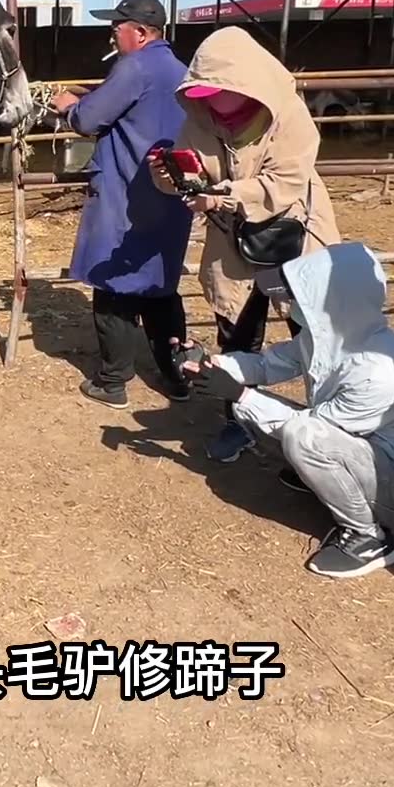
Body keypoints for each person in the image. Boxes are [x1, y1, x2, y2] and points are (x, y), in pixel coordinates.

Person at [172, 242, 394, 578]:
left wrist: (239, 394)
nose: (288, 305)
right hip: (368, 455)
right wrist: (211, 364)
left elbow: (310, 428)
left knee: (300, 436)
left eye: (300, 297)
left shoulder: (377, 372)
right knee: (256, 414)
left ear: (331, 303)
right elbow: (267, 365)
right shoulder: (330, 339)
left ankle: (368, 538)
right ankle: (330, 480)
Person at [147, 25, 340, 461]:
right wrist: (172, 179)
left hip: (295, 233)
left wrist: (225, 195)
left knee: (314, 335)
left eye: (216, 91)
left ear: (244, 84)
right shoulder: (199, 121)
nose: (209, 101)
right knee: (236, 332)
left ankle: (329, 432)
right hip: (232, 241)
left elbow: (286, 180)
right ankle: (239, 420)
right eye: (200, 92)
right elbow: (192, 181)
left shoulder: (287, 114)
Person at [50, 0, 193, 409]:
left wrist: (69, 107)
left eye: (120, 24)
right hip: (168, 194)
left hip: (126, 192)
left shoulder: (134, 66)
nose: (114, 29)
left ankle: (113, 381)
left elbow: (90, 119)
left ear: (142, 33)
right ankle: (177, 375)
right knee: (160, 286)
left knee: (112, 283)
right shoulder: (179, 70)